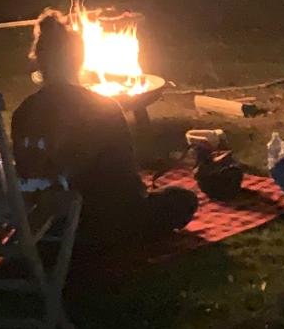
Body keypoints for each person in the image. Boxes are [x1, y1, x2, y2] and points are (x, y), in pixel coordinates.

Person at [11, 13, 197, 249]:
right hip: (106, 222)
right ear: (78, 61)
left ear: (39, 61)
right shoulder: (103, 107)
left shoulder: (23, 112)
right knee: (183, 199)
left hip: (52, 222)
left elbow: (28, 174)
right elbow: (128, 183)